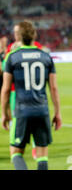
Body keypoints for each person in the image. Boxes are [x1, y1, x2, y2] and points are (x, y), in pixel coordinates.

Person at [1, 21, 62, 170]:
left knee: (15, 152)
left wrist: (4, 114)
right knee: (42, 155)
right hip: (42, 110)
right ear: (34, 35)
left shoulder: (12, 57)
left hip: (22, 111)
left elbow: (6, 89)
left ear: (19, 37)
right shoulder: (46, 57)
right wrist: (57, 113)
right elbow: (53, 88)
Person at [4, 25, 43, 159]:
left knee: (33, 120)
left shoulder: (36, 46)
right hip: (16, 91)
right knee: (15, 120)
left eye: (17, 32)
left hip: (32, 90)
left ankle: (33, 148)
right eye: (14, 32)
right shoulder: (11, 48)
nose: (16, 34)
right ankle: (15, 146)